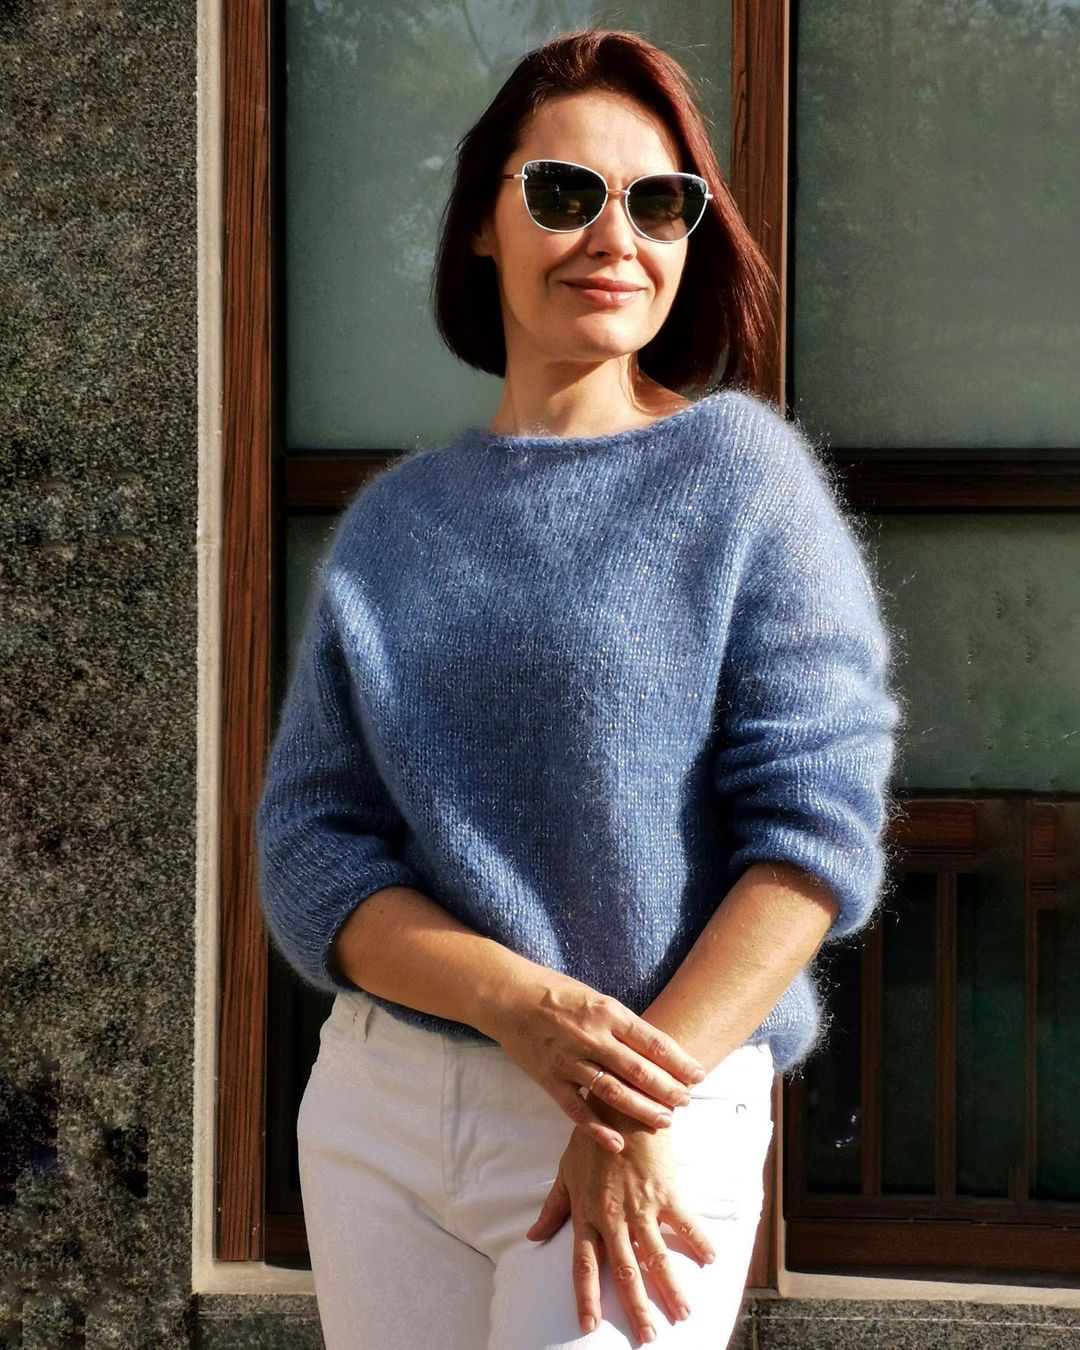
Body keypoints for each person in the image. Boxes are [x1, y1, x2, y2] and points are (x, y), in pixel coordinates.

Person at [255, 27, 903, 1350]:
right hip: (384, 1116)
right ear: (481, 224)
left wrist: (620, 1103)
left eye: (659, 202)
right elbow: (314, 848)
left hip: (650, 1113)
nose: (616, 237)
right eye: (564, 192)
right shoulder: (395, 526)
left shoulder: (745, 483)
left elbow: (813, 841)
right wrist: (520, 1005)